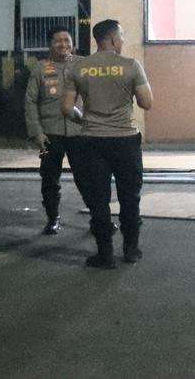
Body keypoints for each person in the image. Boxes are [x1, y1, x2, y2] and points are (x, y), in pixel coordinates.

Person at [61, 19, 153, 269]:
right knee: (129, 196)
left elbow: (67, 108)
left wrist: (84, 120)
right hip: (125, 140)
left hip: (92, 141)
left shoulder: (79, 68)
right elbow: (146, 103)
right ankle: (131, 250)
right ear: (113, 39)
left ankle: (105, 255)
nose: (122, 40)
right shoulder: (131, 65)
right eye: (121, 36)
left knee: (99, 199)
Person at [24, 25, 80, 235]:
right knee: (49, 178)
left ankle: (98, 218)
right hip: (50, 133)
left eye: (67, 40)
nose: (63, 44)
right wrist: (37, 132)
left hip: (79, 132)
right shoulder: (40, 68)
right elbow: (30, 102)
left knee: (88, 178)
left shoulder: (83, 65)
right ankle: (52, 217)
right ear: (50, 45)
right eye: (58, 41)